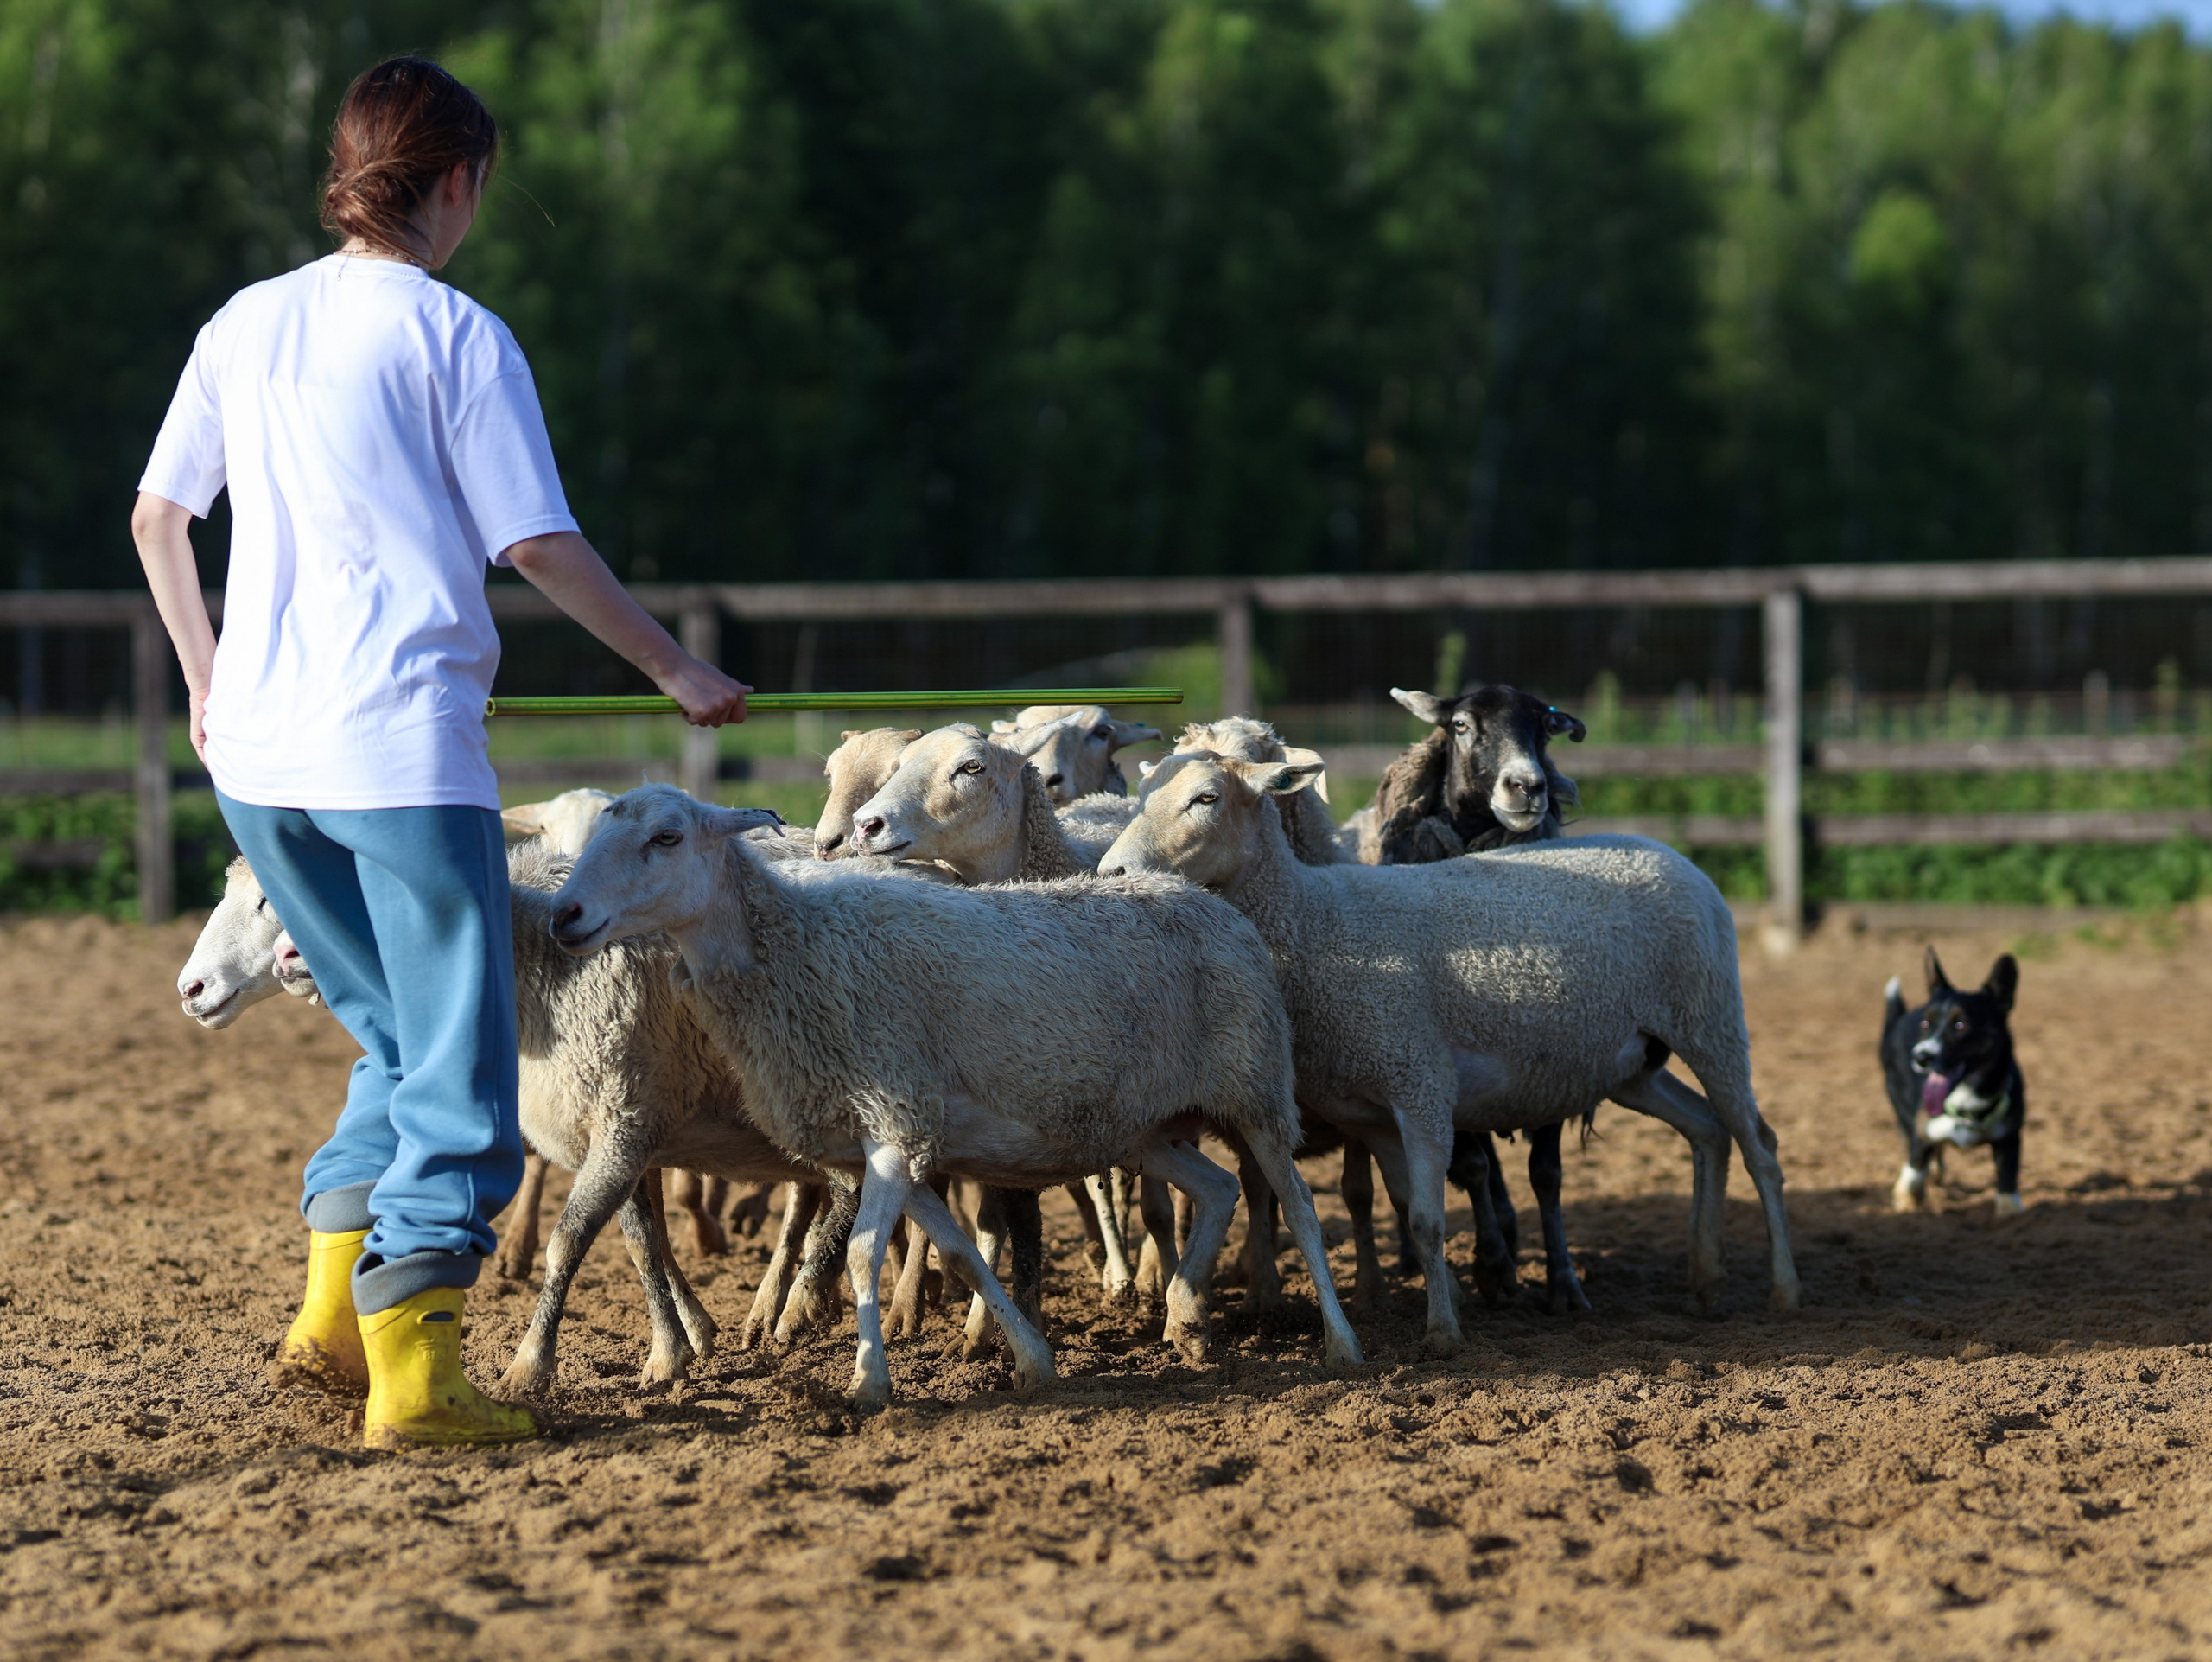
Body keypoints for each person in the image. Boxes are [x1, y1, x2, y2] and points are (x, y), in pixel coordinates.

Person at [130, 57, 749, 1449]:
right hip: (399, 762)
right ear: (457, 181)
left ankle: (331, 1324)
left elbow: (160, 521)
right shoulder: (457, 334)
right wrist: (677, 667)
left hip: (262, 768)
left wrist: (207, 681)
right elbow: (532, 543)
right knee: (466, 1070)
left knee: (396, 1038)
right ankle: (418, 1384)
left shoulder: (246, 320)